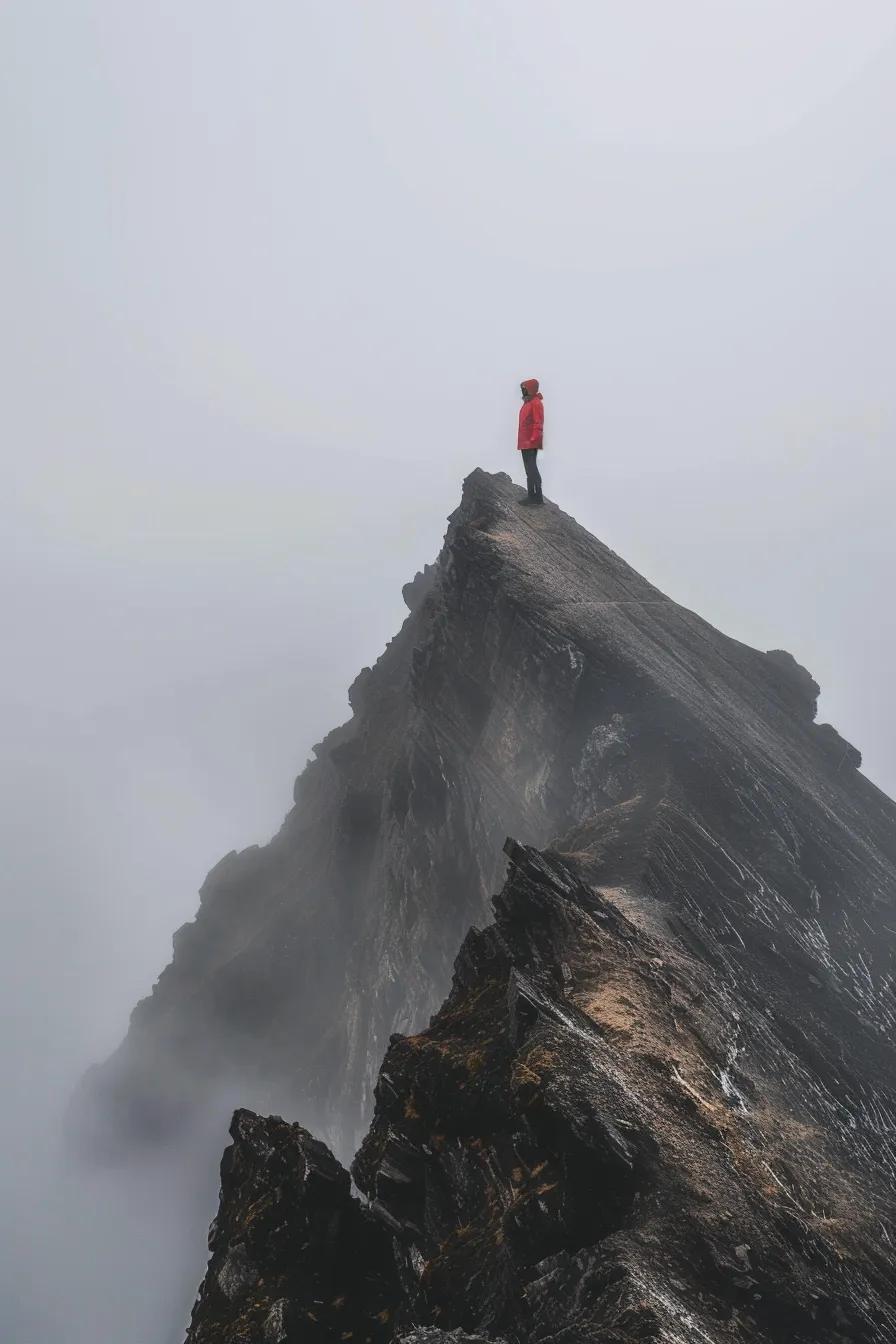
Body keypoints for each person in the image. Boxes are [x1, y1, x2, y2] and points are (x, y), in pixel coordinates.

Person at [517, 378, 544, 505]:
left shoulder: (535, 403)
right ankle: (531, 496)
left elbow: (538, 423)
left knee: (532, 469)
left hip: (530, 442)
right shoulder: (528, 402)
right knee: (529, 469)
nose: (523, 391)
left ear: (531, 389)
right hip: (524, 441)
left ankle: (537, 497)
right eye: (523, 389)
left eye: (525, 389)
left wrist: (533, 439)